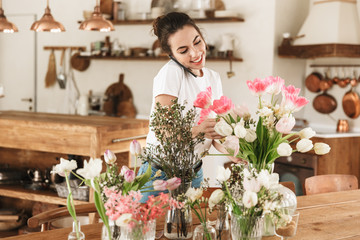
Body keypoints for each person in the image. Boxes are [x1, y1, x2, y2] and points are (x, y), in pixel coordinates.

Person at [137, 12, 235, 202]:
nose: (195, 53)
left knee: (190, 230)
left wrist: (233, 153)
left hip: (194, 172)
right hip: (161, 174)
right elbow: (162, 130)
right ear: (171, 54)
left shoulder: (213, 78)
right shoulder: (171, 74)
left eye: (197, 42)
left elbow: (214, 134)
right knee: (151, 230)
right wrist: (198, 130)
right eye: (183, 50)